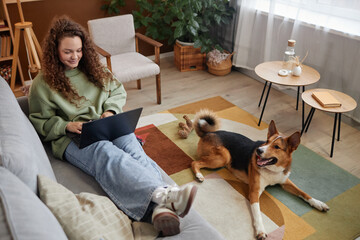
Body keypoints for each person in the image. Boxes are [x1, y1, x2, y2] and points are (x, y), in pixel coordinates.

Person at [28, 16, 197, 236]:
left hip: (105, 124)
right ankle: (164, 195)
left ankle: (157, 210)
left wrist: (109, 112)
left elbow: (117, 91)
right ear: (54, 50)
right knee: (105, 153)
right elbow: (39, 121)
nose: (75, 56)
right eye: (68, 51)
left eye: (79, 50)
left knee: (131, 147)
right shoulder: (42, 84)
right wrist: (67, 125)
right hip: (70, 137)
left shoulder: (93, 69)